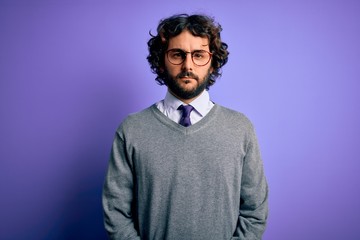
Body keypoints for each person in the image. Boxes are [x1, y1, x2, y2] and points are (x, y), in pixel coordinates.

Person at [102, 13, 268, 240]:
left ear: (212, 63)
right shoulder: (131, 130)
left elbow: (255, 212)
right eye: (177, 55)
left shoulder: (240, 128)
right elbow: (116, 212)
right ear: (161, 62)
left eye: (199, 55)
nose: (188, 65)